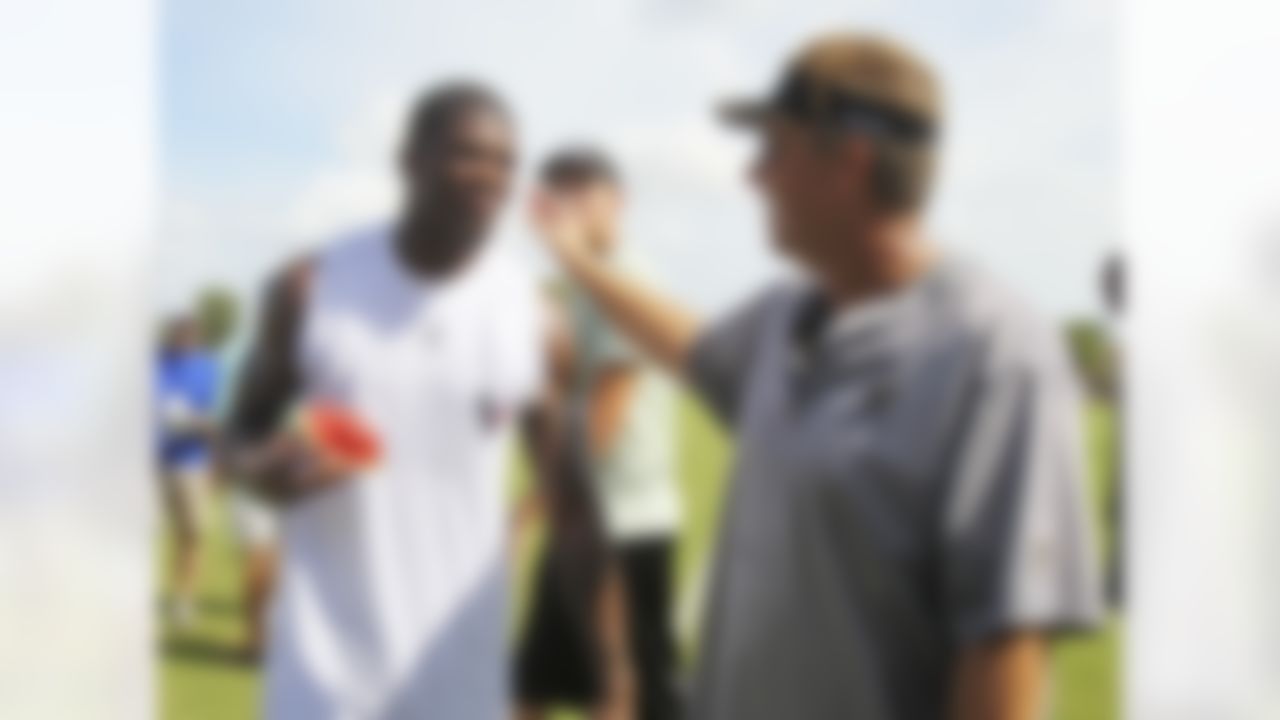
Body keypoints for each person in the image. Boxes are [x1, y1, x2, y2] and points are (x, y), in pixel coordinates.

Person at [532, 32, 1102, 720]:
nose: (754, 176)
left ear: (850, 163)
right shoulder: (788, 318)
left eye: (774, 150)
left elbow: (1004, 647)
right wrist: (578, 259)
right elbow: (692, 346)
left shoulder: (993, 353)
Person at [223, 82, 548, 720]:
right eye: (466, 153)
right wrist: (260, 471)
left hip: (461, 673)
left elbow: (571, 497)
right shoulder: (310, 287)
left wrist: (616, 672)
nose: (489, 176)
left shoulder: (532, 313)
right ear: (409, 160)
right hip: (324, 677)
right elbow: (239, 433)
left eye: (506, 162)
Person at [522, 147, 683, 720]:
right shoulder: (582, 284)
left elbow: (607, 415)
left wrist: (530, 508)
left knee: (623, 694)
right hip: (584, 513)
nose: (568, 208)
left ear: (619, 202)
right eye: (558, 194)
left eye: (583, 194)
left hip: (625, 519)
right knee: (533, 681)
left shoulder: (627, 279)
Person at [155, 315, 220, 629]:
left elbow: (215, 421)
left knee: (192, 534)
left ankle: (184, 600)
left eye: (189, 338)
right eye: (177, 336)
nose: (183, 342)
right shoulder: (152, 364)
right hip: (152, 462)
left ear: (197, 339)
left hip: (191, 463)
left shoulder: (209, 368)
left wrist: (198, 424)